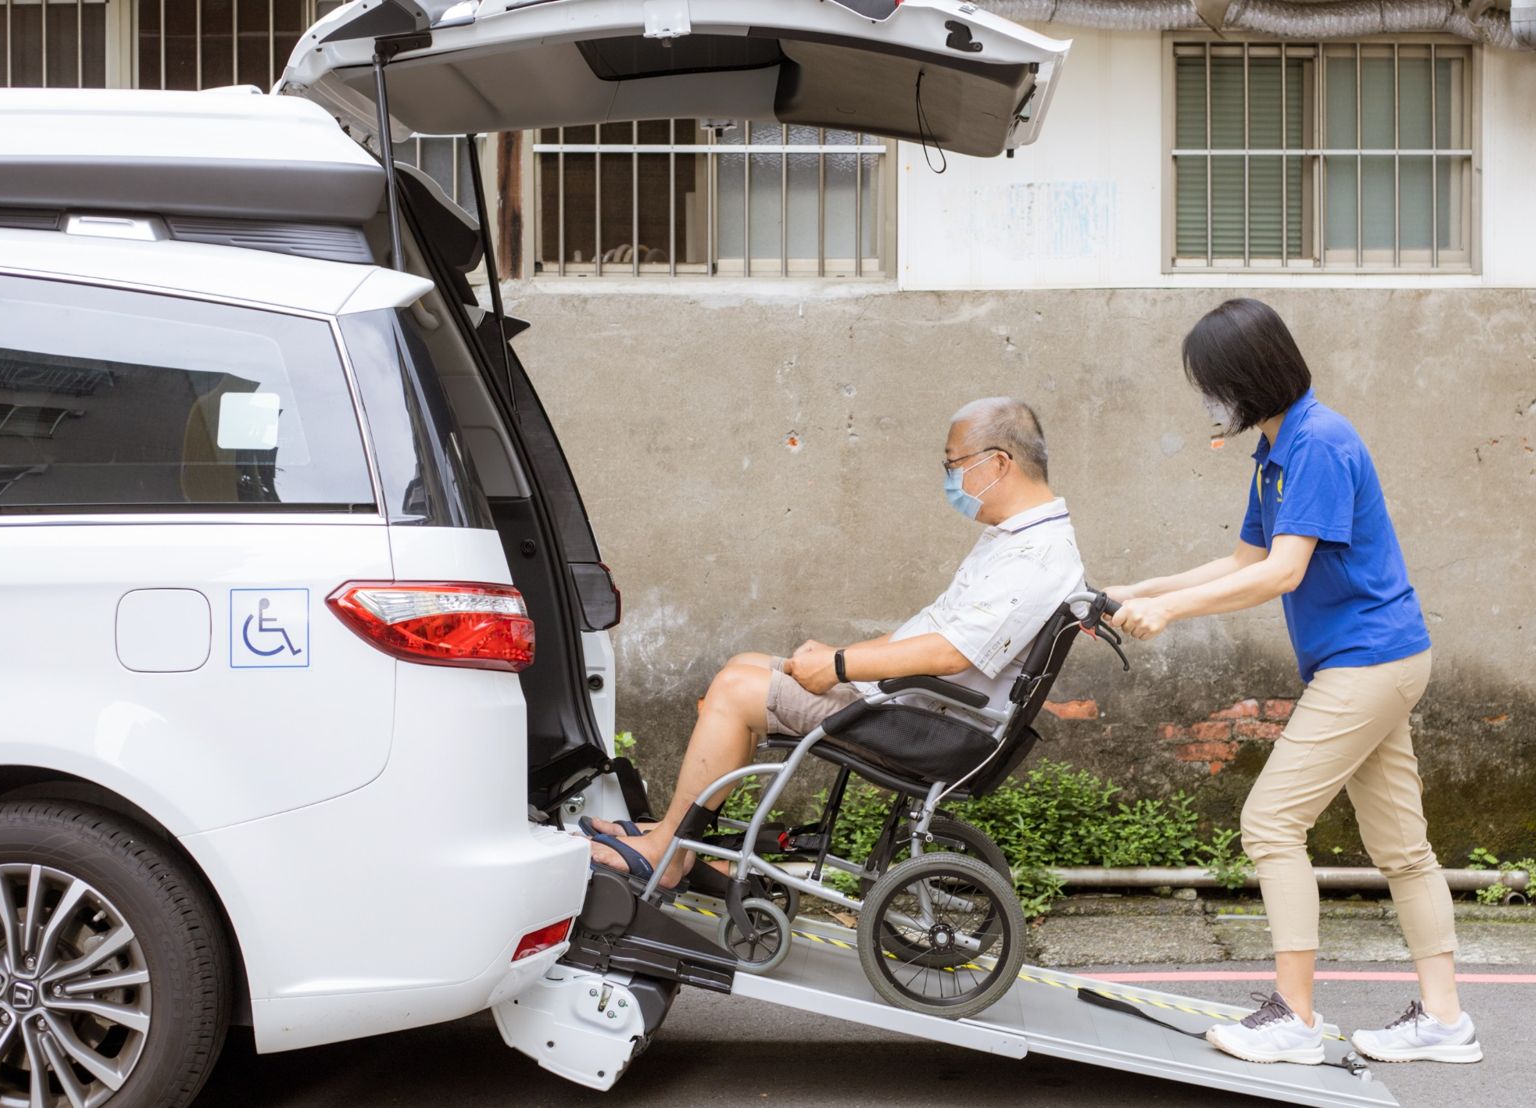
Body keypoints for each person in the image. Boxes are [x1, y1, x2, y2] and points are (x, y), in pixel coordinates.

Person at [1107, 298, 1479, 1066]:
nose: (1208, 399)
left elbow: (1283, 572)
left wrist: (1169, 610)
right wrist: (1138, 590)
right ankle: (1444, 1022)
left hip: (1368, 661)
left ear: (1246, 377)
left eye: (1212, 382)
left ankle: (1295, 1017)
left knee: (1271, 824)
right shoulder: (1278, 450)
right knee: (1404, 851)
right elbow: (1243, 562)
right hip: (1378, 658)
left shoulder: (1319, 444)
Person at [587, 397, 1085, 891]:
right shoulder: (1016, 539)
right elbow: (931, 630)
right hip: (917, 704)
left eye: (953, 464)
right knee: (745, 665)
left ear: (999, 463)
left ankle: (668, 853)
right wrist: (837, 658)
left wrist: (841, 665)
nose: (949, 478)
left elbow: (950, 653)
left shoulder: (1033, 557)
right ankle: (683, 837)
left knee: (738, 687)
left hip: (933, 725)